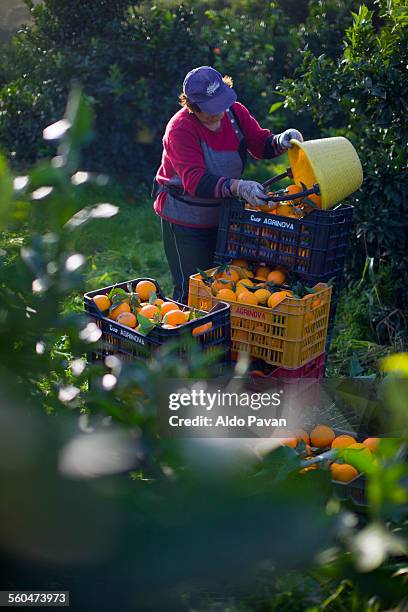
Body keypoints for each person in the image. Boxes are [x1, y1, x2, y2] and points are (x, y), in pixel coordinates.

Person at [152, 66, 303, 304]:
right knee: (192, 289)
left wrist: (280, 141)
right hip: (185, 219)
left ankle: (215, 340)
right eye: (211, 109)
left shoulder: (235, 113)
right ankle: (177, 339)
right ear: (193, 107)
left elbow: (259, 143)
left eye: (222, 102)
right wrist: (238, 187)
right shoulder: (180, 129)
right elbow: (195, 181)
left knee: (223, 288)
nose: (220, 112)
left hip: (223, 217)